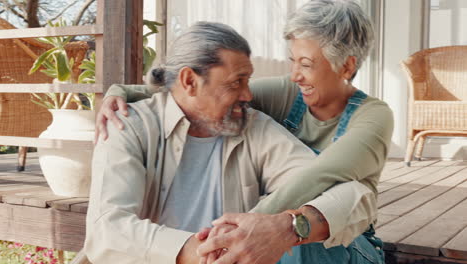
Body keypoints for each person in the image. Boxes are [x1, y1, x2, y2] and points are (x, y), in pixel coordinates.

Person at [93, 0, 394, 263]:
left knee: (291, 242)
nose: (248, 94)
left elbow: (327, 178)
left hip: (343, 244)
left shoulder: (372, 116)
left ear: (346, 66)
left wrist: (271, 228)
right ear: (188, 81)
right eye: (237, 82)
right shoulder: (129, 125)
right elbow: (108, 229)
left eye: (306, 64)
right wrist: (117, 92)